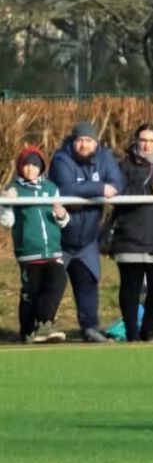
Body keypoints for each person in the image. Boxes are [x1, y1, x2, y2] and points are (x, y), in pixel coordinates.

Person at [49, 121, 124, 342]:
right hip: (59, 239)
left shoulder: (105, 158)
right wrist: (99, 189)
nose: (84, 145)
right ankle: (38, 327)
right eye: (80, 140)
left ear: (96, 142)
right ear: (73, 142)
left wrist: (93, 191)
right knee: (50, 285)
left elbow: (118, 183)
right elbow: (65, 188)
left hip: (88, 240)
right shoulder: (61, 159)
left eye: (89, 141)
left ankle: (90, 328)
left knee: (88, 283)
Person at [110, 124, 153, 341]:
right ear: (136, 141)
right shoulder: (123, 165)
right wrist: (148, 190)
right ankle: (132, 333)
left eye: (152, 140)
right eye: (143, 140)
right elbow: (118, 193)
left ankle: (148, 329)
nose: (147, 144)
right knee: (130, 288)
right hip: (130, 236)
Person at [0, 147, 69, 343]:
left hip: (53, 250)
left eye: (35, 165)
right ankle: (28, 330)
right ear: (21, 167)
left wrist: (62, 214)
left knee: (58, 281)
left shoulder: (50, 188)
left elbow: (63, 221)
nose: (31, 169)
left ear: (41, 167)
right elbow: (7, 222)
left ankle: (46, 323)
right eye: (27, 165)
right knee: (31, 292)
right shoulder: (14, 189)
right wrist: (5, 203)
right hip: (29, 251)